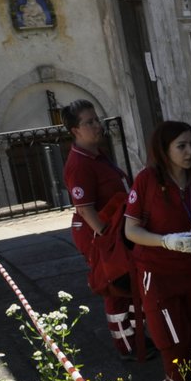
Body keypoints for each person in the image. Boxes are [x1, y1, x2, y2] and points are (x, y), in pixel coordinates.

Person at [122, 121, 191, 381]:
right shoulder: (147, 180)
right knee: (174, 339)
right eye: (181, 146)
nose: (189, 152)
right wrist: (166, 241)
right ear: (164, 149)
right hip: (159, 273)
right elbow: (131, 230)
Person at [61, 99, 138, 358]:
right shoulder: (79, 163)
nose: (97, 125)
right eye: (90, 122)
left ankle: (137, 337)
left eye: (97, 119)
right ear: (75, 131)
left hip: (114, 228)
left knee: (127, 283)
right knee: (113, 282)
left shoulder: (96, 153)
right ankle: (126, 344)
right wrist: (106, 238)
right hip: (99, 233)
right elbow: (85, 207)